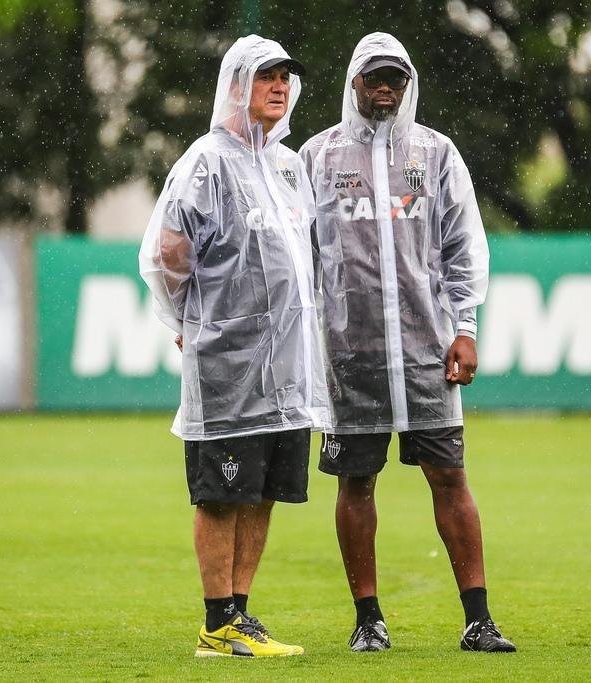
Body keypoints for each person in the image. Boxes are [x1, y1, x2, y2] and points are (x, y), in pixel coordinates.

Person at [299, 32, 516, 654]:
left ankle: (478, 619)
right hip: (349, 355)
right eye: (374, 77)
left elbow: (463, 245)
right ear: (354, 82)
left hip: (426, 350)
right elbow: (299, 256)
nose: (385, 87)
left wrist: (465, 328)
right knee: (356, 482)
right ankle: (368, 619)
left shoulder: (436, 152)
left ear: (408, 82)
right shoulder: (316, 156)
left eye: (396, 77)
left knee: (449, 476)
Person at [139, 35, 328, 658]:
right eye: (266, 76)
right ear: (236, 85)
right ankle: (216, 620)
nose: (279, 86)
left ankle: (239, 614)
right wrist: (188, 317)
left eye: (285, 77)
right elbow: (167, 252)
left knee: (265, 491)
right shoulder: (207, 161)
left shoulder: (288, 165)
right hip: (228, 364)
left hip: (287, 370)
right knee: (222, 494)